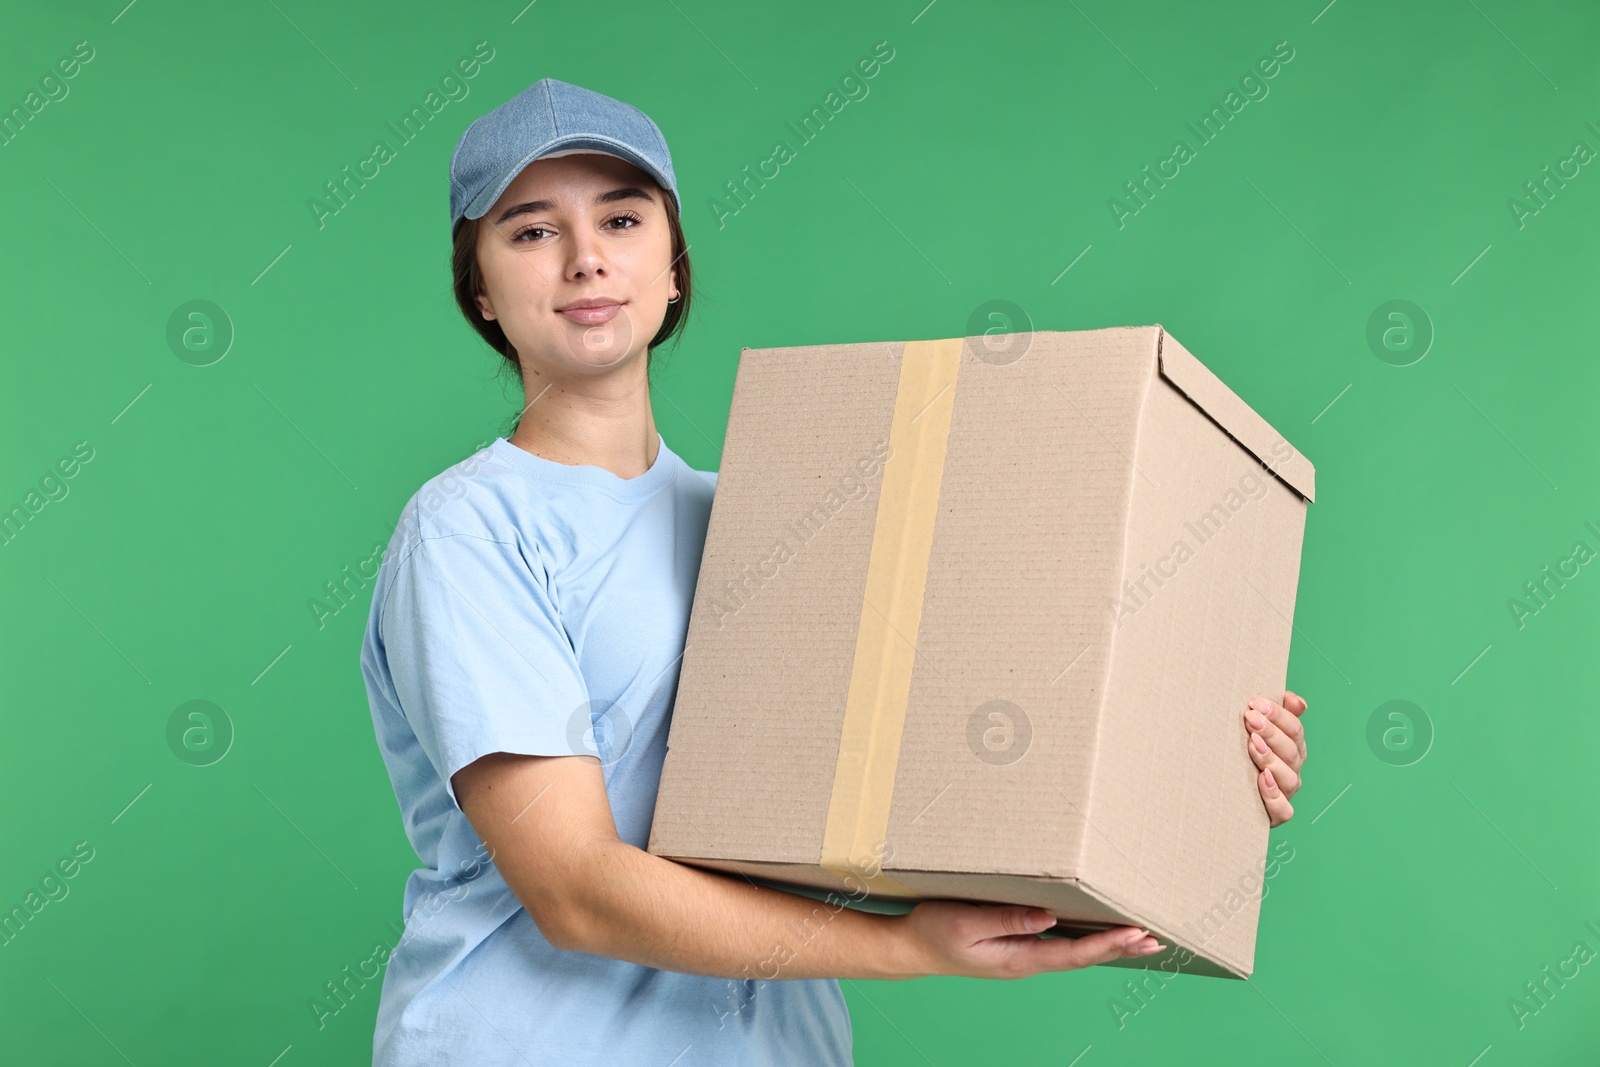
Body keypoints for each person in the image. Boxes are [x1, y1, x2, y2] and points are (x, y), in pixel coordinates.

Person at [358, 77, 1312, 1066]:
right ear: (478, 287)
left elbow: (946, 769)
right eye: (529, 231)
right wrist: (903, 945)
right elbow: (573, 886)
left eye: (622, 217)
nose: (587, 256)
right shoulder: (470, 531)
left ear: (673, 267)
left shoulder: (770, 518)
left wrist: (1197, 754)